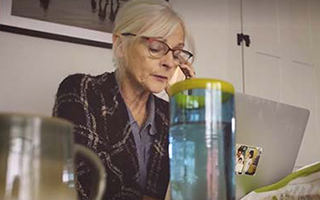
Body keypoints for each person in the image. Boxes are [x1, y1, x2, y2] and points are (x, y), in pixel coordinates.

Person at [52, 0, 195, 200]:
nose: (170, 62)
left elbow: (197, 184)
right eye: (156, 47)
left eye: (177, 53)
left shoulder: (171, 114)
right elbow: (87, 184)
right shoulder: (81, 90)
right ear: (120, 45)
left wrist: (186, 107)